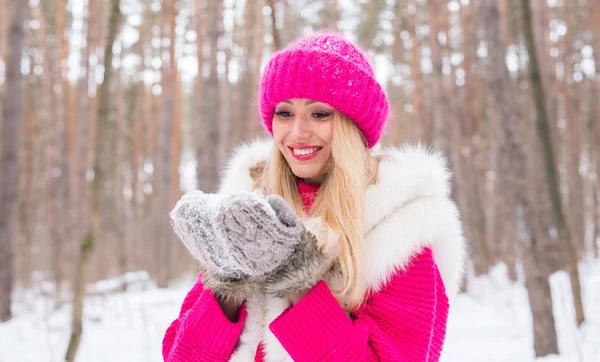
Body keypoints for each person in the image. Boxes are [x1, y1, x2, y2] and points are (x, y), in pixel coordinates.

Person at [162, 32, 466, 362]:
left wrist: (296, 279)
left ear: (354, 124)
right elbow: (182, 356)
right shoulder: (250, 208)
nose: (298, 132)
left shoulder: (399, 227)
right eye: (285, 113)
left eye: (319, 114)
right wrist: (228, 278)